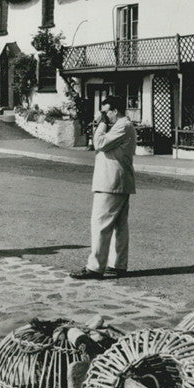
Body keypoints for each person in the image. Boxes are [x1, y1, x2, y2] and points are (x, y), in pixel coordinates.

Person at [70, 95, 137, 280]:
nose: (104, 115)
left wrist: (102, 124)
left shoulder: (122, 125)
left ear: (115, 111)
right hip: (117, 181)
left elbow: (99, 143)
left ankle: (95, 267)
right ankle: (117, 264)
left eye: (106, 112)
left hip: (111, 182)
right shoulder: (123, 125)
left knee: (100, 224)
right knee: (118, 226)